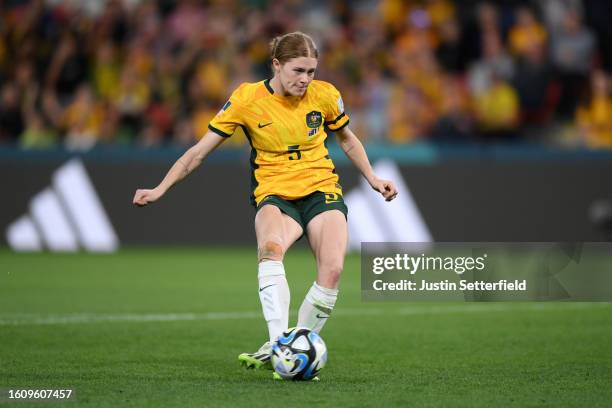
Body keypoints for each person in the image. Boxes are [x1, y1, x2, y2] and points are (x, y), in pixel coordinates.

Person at [132, 32, 398, 379]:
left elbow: (347, 140)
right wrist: (161, 188)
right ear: (276, 64)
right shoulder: (247, 99)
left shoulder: (326, 95)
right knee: (270, 249)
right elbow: (198, 152)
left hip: (321, 189)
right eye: (298, 70)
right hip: (274, 193)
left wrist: (373, 178)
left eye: (311, 72)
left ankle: (292, 346)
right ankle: (279, 348)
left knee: (332, 269)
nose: (305, 79)